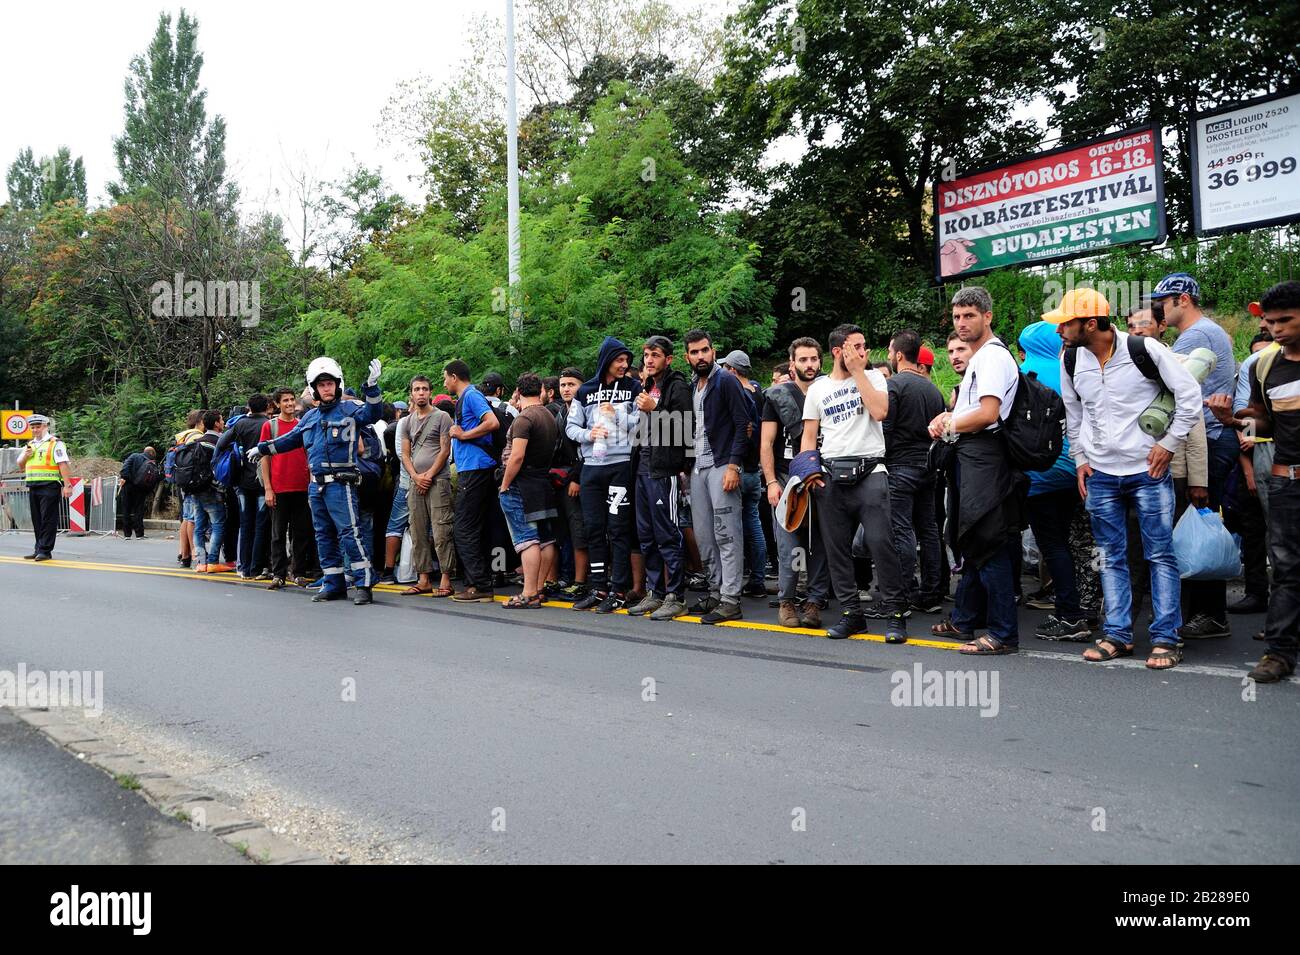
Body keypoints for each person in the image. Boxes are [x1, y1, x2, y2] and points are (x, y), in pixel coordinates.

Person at [1050, 288, 1201, 670]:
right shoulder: (1070, 359)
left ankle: (1166, 637)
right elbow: (1073, 411)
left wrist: (1168, 443)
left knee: (1159, 555)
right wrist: (1080, 458)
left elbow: (1189, 393)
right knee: (1111, 556)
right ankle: (1118, 634)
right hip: (1101, 475)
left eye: (1066, 323)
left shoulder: (1143, 350)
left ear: (1091, 323)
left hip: (1148, 472)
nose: (1059, 331)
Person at [1207, 280, 1300, 683]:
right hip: (1286, 482)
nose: (1276, 329)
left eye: (1285, 321)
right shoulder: (1264, 365)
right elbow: (1264, 418)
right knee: (1286, 567)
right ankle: (1279, 653)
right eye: (1270, 321)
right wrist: (1233, 420)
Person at [927, 287, 1023, 655]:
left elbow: (988, 414)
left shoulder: (992, 358)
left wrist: (949, 426)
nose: (962, 323)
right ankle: (967, 620)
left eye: (969, 316)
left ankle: (1002, 633)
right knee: (975, 543)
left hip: (987, 457)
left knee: (989, 545)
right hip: (974, 457)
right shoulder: (981, 358)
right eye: (957, 317)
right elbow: (971, 411)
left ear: (988, 317)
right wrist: (947, 418)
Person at [801, 324, 908, 642]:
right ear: (837, 352)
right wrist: (810, 472)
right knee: (836, 550)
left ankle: (896, 614)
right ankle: (851, 615)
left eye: (865, 346)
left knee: (880, 543)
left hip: (871, 472)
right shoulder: (818, 388)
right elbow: (809, 436)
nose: (864, 352)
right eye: (856, 347)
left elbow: (880, 411)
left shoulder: (874, 376)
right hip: (831, 476)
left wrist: (860, 371)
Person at [249, 356, 385, 605]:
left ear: (338, 384)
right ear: (314, 389)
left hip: (341, 484)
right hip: (316, 485)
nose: (327, 388)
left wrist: (372, 387)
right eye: (321, 384)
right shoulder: (309, 419)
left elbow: (373, 413)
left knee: (349, 533)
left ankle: (364, 583)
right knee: (323, 535)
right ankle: (333, 583)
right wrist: (263, 448)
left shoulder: (350, 410)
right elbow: (289, 441)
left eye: (330, 383)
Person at [1151, 272, 1237, 639]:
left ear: (1183, 299)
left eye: (1163, 302)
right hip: (1212, 440)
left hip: (1207, 442)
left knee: (1195, 529)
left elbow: (1173, 396)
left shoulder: (1196, 336)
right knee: (1195, 527)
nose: (1160, 309)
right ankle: (1204, 611)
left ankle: (1210, 614)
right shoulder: (1207, 332)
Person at [565, 337, 642, 613]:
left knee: (618, 528)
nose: (625, 365)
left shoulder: (634, 387)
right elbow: (570, 427)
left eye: (627, 361)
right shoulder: (585, 390)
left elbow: (641, 425)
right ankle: (598, 587)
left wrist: (617, 416)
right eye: (619, 360)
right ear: (607, 360)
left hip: (621, 466)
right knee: (593, 529)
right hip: (591, 469)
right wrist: (590, 434)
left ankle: (619, 589)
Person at [761, 336, 831, 628]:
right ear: (792, 364)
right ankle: (787, 600)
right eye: (803, 359)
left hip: (822, 476)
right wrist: (770, 483)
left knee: (820, 544)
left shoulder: (830, 391)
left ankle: (814, 602)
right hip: (787, 478)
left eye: (814, 359)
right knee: (789, 546)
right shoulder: (778, 395)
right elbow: (766, 443)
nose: (809, 364)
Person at [685, 329, 751, 624]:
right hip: (698, 468)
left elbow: (744, 424)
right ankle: (715, 590)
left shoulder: (725, 381)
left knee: (727, 534)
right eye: (695, 352)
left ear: (713, 351)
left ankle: (730, 599)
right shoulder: (693, 386)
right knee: (704, 536)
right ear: (687, 356)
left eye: (705, 350)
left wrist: (734, 466)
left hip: (723, 464)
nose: (701, 356)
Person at [626, 336, 692, 620]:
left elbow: (685, 426)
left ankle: (676, 595)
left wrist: (656, 410)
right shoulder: (647, 386)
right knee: (646, 534)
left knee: (667, 534)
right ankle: (655, 593)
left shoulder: (676, 386)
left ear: (669, 359)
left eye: (655, 355)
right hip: (643, 468)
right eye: (646, 356)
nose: (649, 360)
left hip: (664, 470)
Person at [883, 329, 946, 614]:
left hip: (900, 466)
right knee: (929, 529)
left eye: (889, 352)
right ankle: (932, 591)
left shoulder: (893, 386)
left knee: (901, 529)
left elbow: (886, 427)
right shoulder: (932, 389)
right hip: (928, 466)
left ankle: (905, 591)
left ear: (898, 355)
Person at [442, 360, 502, 602]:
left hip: (475, 468)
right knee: (477, 526)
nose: (444, 382)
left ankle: (478, 585)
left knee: (463, 527)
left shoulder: (471, 395)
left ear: (454, 377)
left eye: (445, 377)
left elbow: (492, 422)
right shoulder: (467, 397)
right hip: (477, 468)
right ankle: (480, 583)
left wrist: (463, 434)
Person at [498, 373, 560, 607]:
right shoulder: (548, 415)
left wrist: (504, 484)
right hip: (542, 482)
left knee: (527, 540)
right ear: (541, 390)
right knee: (545, 539)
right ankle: (539, 588)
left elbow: (517, 455)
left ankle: (528, 592)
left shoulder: (524, 419)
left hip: (521, 484)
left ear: (518, 391)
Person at [399, 375, 456, 598]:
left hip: (438, 480)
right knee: (417, 530)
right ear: (411, 394)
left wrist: (429, 476)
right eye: (417, 389)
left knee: (442, 530)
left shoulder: (442, 417)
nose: (421, 393)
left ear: (430, 392)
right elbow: (405, 453)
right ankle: (423, 578)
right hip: (416, 481)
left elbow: (445, 450)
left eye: (424, 389)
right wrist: (415, 476)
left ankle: (446, 578)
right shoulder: (407, 422)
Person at [719, 348, 769, 599]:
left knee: (732, 529)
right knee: (753, 523)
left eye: (726, 368)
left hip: (737, 469)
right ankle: (758, 580)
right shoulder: (759, 391)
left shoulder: (735, 393)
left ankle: (732, 583)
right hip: (754, 469)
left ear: (733, 371)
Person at [259, 387, 316, 589]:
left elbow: (309, 457)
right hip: (279, 487)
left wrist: (311, 484)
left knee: (301, 533)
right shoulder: (270, 426)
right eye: (285, 401)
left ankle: (298, 572)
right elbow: (264, 458)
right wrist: (268, 488)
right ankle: (278, 573)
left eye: (292, 400)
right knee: (277, 534)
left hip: (301, 487)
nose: (290, 404)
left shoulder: (302, 426)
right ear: (277, 404)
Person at [214, 394, 272, 579]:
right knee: (261, 525)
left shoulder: (239, 425)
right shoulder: (269, 424)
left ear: (249, 407)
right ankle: (257, 567)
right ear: (267, 407)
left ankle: (243, 567)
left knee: (245, 524)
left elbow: (221, 444)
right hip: (264, 482)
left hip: (242, 483)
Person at [552, 367, 590, 598]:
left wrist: (576, 478)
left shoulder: (585, 411)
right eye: (563, 384)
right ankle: (567, 577)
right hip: (562, 480)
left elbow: (586, 450)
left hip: (580, 478)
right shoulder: (559, 413)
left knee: (580, 531)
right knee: (565, 531)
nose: (566, 389)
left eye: (571, 384)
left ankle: (580, 581)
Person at [16, 414, 72, 561]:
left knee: (48, 519)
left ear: (46, 426)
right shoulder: (30, 445)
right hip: (33, 486)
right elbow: (20, 466)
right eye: (33, 427)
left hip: (50, 485)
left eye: (38, 427)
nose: (35, 430)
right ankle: (38, 548)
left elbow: (63, 464)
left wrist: (67, 485)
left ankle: (45, 551)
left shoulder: (55, 443)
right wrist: (26, 456)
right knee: (37, 520)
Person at [189, 410, 232, 574]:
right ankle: (213, 561)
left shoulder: (197, 441)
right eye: (222, 420)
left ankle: (200, 562)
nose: (223, 422)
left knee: (199, 526)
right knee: (218, 524)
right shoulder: (218, 442)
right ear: (216, 423)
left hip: (195, 489)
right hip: (212, 490)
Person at [170, 410, 204, 567]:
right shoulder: (196, 436)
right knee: (192, 518)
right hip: (191, 480)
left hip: (182, 480)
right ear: (199, 422)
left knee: (186, 517)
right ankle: (194, 551)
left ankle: (184, 554)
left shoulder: (183, 436)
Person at [117, 446, 158, 539]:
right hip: (141, 489)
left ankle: (127, 534)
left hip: (128, 486)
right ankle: (139, 534)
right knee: (138, 511)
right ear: (151, 453)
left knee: (126, 510)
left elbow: (124, 469)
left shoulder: (134, 456)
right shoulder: (152, 462)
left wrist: (127, 479)